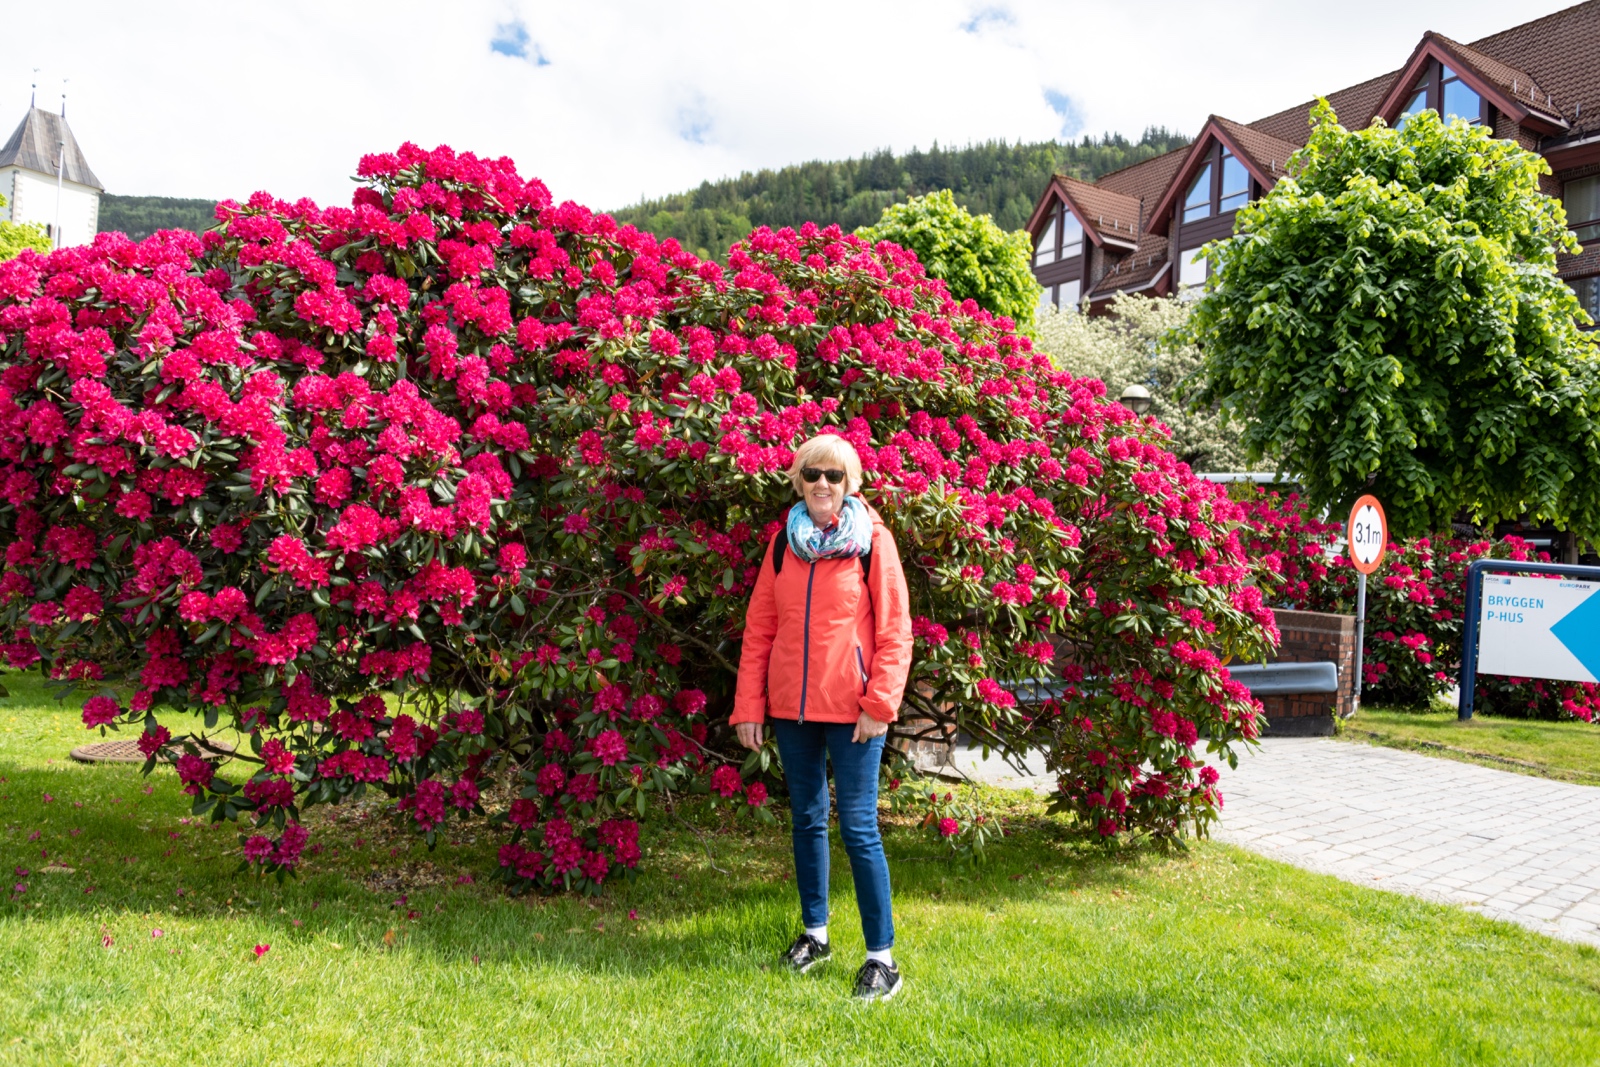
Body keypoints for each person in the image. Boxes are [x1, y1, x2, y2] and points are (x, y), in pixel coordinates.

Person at [732, 433, 914, 1001]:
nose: (823, 485)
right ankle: (816, 935)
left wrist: (879, 706)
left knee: (859, 829)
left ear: (850, 483)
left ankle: (882, 960)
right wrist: (749, 705)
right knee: (807, 820)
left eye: (834, 476)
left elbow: (895, 633)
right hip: (791, 710)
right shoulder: (782, 545)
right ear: (798, 480)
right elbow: (760, 629)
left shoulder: (872, 543)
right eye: (812, 474)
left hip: (854, 713)